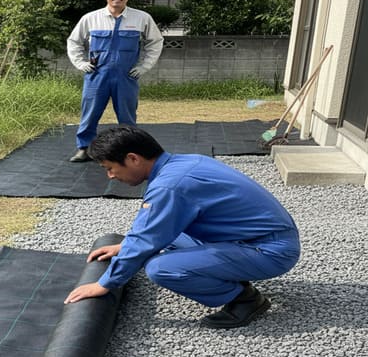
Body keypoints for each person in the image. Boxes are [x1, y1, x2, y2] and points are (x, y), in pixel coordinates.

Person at [63, 126, 301, 329]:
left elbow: (147, 237)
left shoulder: (170, 185)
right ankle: (230, 272)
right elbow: (152, 229)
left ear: (133, 158)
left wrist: (104, 283)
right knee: (164, 236)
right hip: (256, 239)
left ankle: (245, 299)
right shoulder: (185, 162)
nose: (111, 176)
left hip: (269, 251)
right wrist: (126, 245)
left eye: (110, 167)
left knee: (160, 268)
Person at [66, 0, 164, 162]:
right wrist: (80, 63)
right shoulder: (91, 18)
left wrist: (144, 66)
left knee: (127, 116)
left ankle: (129, 150)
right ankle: (84, 148)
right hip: (96, 76)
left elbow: (156, 42)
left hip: (126, 76)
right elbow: (73, 41)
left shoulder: (141, 18)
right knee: (90, 113)